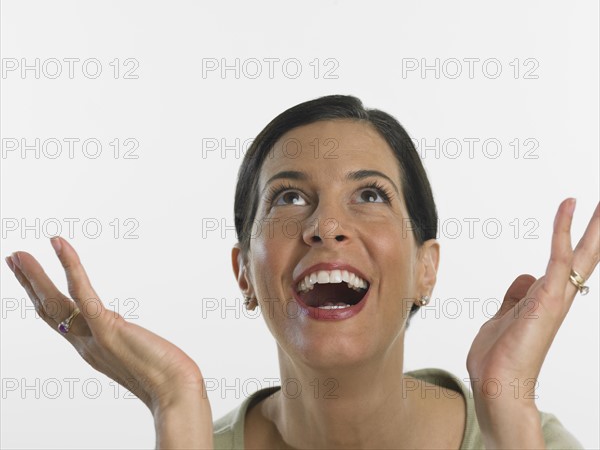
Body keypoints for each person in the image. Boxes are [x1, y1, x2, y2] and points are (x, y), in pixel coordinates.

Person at [5, 95, 599, 449]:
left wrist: (510, 414)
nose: (325, 226)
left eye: (370, 194)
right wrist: (174, 403)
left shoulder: (527, 438)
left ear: (426, 268)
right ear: (243, 275)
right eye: (288, 199)